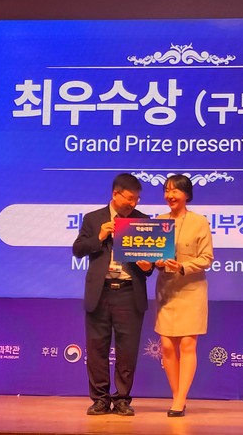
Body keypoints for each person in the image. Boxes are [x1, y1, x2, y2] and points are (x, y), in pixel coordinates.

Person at [72, 173, 153, 417]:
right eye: (129, 198)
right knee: (97, 348)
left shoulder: (143, 221)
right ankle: (99, 399)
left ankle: (122, 400)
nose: (133, 203)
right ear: (115, 194)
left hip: (129, 292)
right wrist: (99, 237)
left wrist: (147, 266)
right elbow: (78, 249)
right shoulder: (93, 218)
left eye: (136, 199)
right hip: (100, 292)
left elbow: (150, 265)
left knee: (127, 350)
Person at [153, 174, 214, 417]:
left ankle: (179, 400)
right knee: (167, 346)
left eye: (175, 191)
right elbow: (151, 255)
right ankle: (177, 395)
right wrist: (156, 262)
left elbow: (206, 258)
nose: (170, 195)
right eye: (166, 190)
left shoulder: (199, 222)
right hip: (167, 290)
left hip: (191, 289)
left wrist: (182, 266)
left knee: (188, 344)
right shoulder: (159, 221)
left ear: (187, 194)